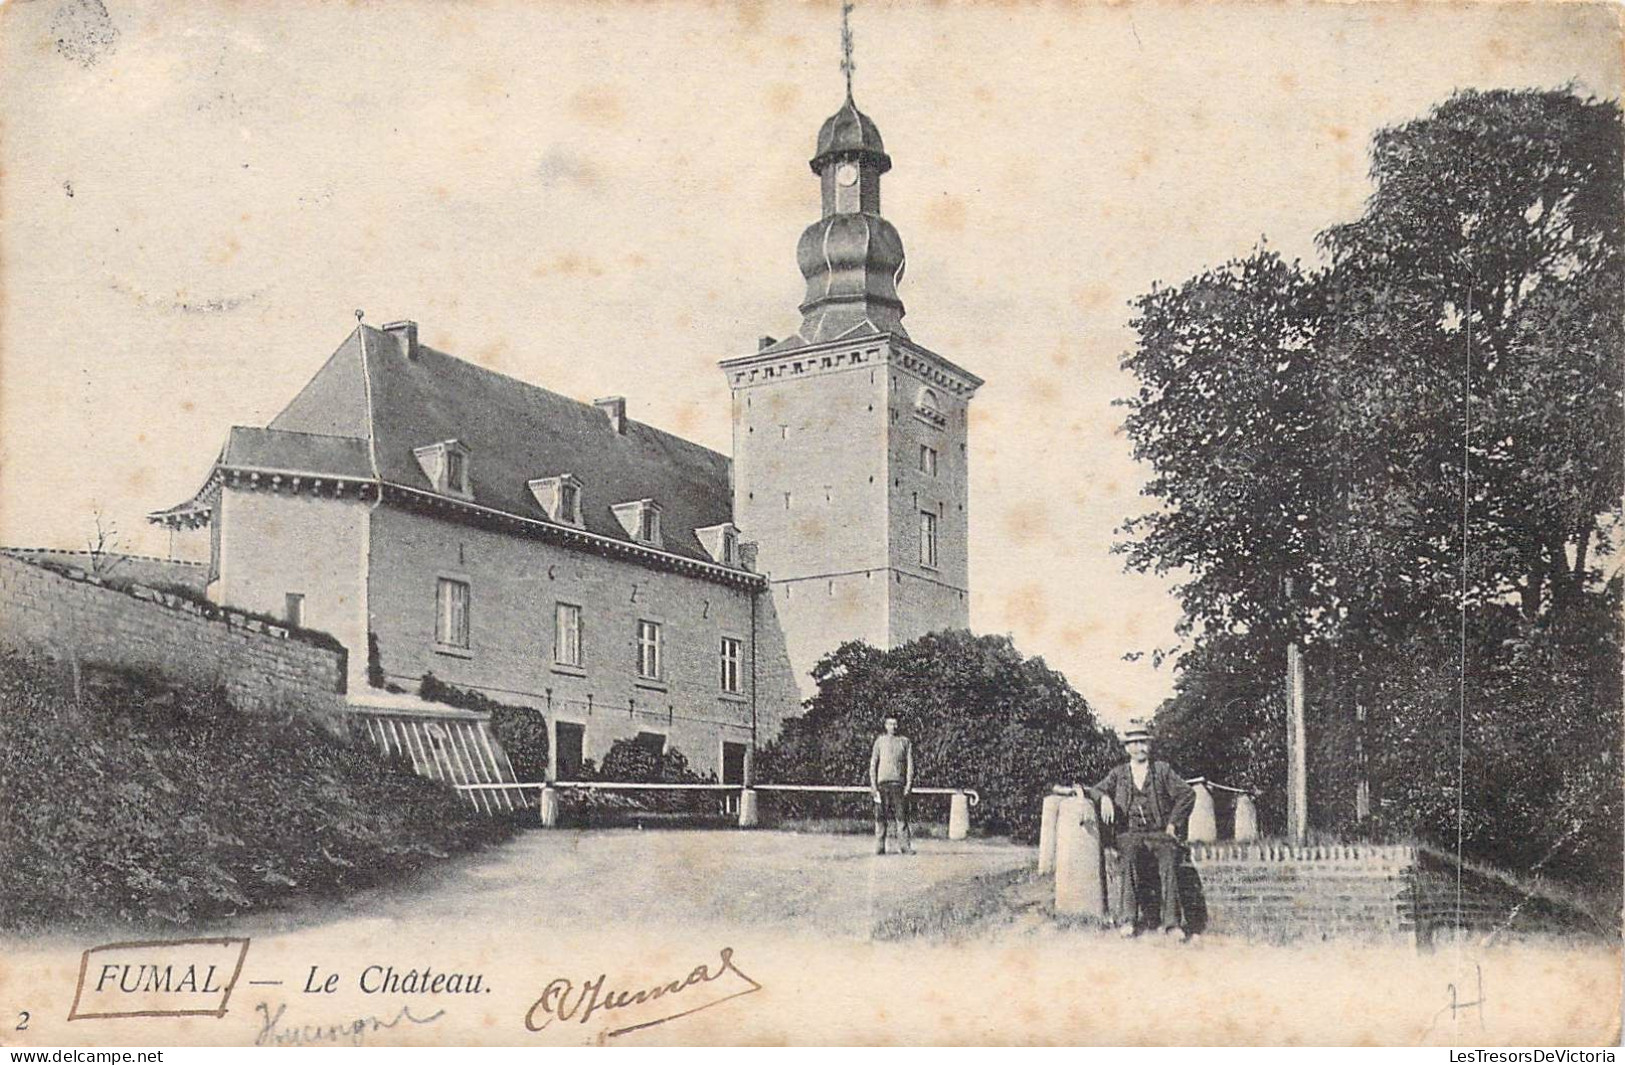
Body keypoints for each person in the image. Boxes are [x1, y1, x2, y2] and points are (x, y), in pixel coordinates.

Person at [1078, 724, 1195, 939]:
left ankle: (1172, 924)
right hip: (1129, 833)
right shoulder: (1119, 773)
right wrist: (1103, 798)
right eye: (1134, 743)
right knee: (1129, 856)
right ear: (1126, 748)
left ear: (1149, 745)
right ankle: (1128, 920)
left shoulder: (1162, 770)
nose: (1138, 747)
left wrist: (1173, 824)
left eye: (1143, 742)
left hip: (1159, 832)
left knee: (1169, 858)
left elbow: (1187, 794)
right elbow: (1095, 789)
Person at [868, 716, 914, 855]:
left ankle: (905, 847)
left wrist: (908, 785)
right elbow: (873, 765)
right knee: (880, 817)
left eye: (895, 723)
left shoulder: (905, 742)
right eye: (890, 724)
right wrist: (873, 785)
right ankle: (880, 847)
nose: (893, 726)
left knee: (901, 817)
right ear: (885, 725)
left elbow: (910, 765)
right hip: (882, 785)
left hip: (898, 785)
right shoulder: (879, 741)